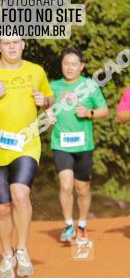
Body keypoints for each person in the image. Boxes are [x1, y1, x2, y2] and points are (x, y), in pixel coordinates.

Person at [0, 38, 53, 278]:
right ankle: (7, 254)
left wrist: (44, 102)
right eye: (7, 43)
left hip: (27, 145)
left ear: (23, 45)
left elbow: (50, 100)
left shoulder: (36, 71)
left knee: (20, 194)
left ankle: (22, 250)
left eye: (16, 42)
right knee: (2, 207)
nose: (12, 46)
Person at [48, 48, 108, 243]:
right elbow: (46, 108)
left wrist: (89, 112)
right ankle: (68, 224)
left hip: (83, 146)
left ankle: (81, 225)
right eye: (66, 63)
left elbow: (104, 111)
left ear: (81, 66)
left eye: (74, 64)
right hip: (61, 144)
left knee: (83, 189)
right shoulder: (53, 86)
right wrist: (48, 114)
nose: (69, 67)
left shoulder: (90, 86)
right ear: (62, 65)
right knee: (65, 184)